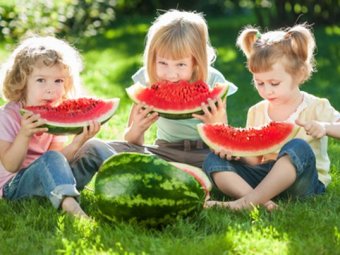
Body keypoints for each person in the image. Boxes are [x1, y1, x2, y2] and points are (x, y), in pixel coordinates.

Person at [203, 23, 340, 211]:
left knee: (298, 147)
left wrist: (325, 127)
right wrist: (235, 153)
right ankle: (263, 202)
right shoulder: (256, 111)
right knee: (212, 160)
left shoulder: (317, 106)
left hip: (303, 183)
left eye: (274, 83)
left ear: (299, 74)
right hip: (264, 178)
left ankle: (244, 203)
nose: (267, 90)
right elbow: (254, 160)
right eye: (259, 83)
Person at [0, 36, 115, 218]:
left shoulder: (54, 118)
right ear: (21, 82)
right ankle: (71, 208)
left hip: (54, 181)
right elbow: (11, 165)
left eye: (58, 81)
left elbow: (60, 160)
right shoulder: (7, 116)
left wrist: (78, 142)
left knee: (95, 147)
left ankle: (131, 185)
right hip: (15, 188)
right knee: (50, 157)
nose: (50, 89)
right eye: (41, 80)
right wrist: (24, 134)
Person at [108, 9, 237, 168]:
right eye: (162, 63)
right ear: (152, 58)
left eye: (180, 64)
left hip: (205, 154)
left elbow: (220, 146)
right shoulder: (147, 78)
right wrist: (137, 129)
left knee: (228, 160)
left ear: (196, 60)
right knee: (107, 149)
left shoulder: (214, 80)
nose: (171, 74)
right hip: (164, 152)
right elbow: (132, 141)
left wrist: (215, 126)